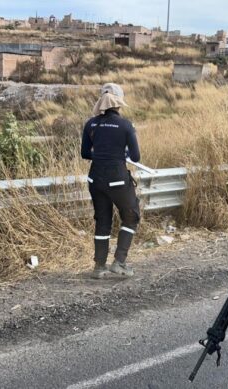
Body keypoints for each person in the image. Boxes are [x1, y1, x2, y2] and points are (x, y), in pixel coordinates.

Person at [81, 83, 141, 279]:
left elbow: (84, 153)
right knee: (131, 216)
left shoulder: (91, 123)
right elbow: (136, 156)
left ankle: (99, 267)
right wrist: (119, 152)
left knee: (103, 221)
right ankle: (119, 262)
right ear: (118, 102)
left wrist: (102, 153)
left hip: (95, 179)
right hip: (117, 180)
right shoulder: (125, 125)